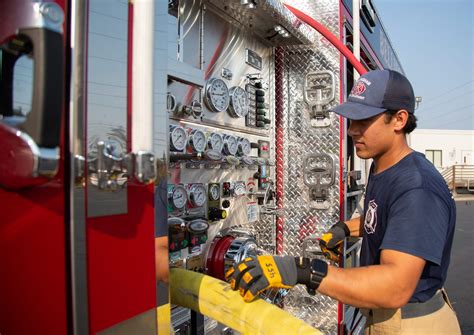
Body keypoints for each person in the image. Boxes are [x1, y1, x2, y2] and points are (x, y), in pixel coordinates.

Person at [225, 69, 461, 334]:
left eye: (364, 120)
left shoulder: (417, 186)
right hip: (386, 318)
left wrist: (304, 271)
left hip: (412, 323)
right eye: (351, 120)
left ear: (398, 120)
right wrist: (345, 229)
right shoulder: (385, 167)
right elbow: (387, 219)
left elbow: (395, 287)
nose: (352, 130)